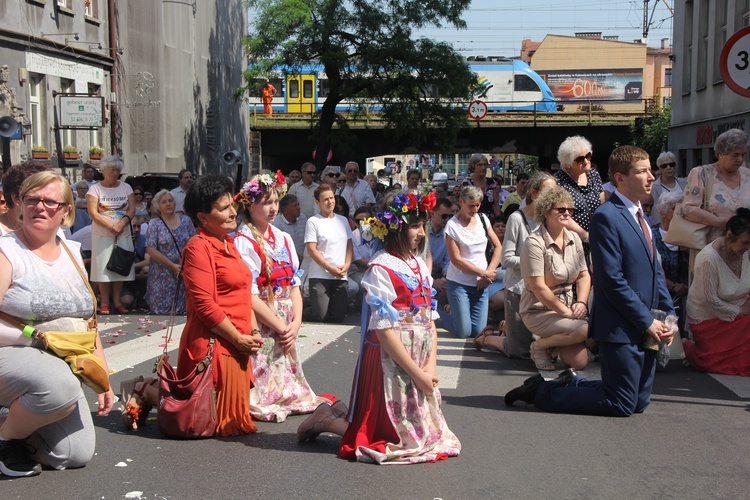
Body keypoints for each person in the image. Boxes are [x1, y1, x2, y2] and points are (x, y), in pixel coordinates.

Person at [505, 145, 675, 417]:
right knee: (620, 404)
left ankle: (571, 382)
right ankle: (542, 392)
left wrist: (669, 317)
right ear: (620, 178)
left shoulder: (643, 217)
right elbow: (611, 280)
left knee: (638, 402)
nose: (652, 176)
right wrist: (646, 319)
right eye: (642, 171)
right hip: (621, 326)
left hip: (649, 324)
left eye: (651, 170)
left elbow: (656, 273)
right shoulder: (607, 217)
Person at [296, 192, 461, 464]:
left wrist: (430, 366)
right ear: (396, 229)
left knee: (420, 434)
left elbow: (429, 319)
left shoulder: (419, 263)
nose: (421, 233)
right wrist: (417, 373)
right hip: (391, 357)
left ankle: (333, 413)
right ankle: (327, 419)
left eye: (422, 225)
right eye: (414, 226)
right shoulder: (380, 268)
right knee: (383, 436)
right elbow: (384, 331)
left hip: (418, 356)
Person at [0, 171, 114, 476]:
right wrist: (34, 338)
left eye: (50, 202)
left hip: (61, 360)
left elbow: (88, 320)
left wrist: (101, 375)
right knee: (59, 387)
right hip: (11, 353)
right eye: (32, 200)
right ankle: (4, 440)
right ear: (20, 204)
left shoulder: (71, 251)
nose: (40, 207)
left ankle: (9, 421)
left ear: (66, 211)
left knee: (73, 453)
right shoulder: (7, 251)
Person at [234, 171, 329, 421]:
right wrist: (280, 326)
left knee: (287, 371)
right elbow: (249, 293)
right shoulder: (243, 241)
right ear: (250, 204)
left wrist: (296, 322)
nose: (273, 208)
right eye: (266, 202)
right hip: (263, 316)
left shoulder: (284, 238)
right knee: (264, 365)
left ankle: (285, 391)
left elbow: (294, 284)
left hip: (286, 314)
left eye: (275, 201)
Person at [178, 174, 264, 436]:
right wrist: (238, 338)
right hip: (215, 344)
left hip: (237, 343)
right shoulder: (197, 247)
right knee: (209, 423)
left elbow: (243, 293)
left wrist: (254, 332)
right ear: (203, 217)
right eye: (223, 208)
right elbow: (204, 305)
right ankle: (145, 392)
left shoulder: (229, 243)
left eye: (231, 205)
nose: (232, 212)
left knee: (234, 426)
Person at [476, 172, 557, 358]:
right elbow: (507, 259)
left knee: (546, 349)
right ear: (534, 193)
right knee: (519, 352)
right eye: (548, 191)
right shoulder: (517, 219)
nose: (553, 197)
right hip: (520, 288)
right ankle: (488, 338)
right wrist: (536, 264)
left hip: (546, 288)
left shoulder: (552, 218)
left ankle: (508, 329)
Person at [517, 187, 590, 371]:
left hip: (569, 308)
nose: (567, 213)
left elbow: (583, 275)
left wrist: (581, 302)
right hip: (539, 310)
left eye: (570, 210)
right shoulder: (534, 242)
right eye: (561, 209)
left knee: (579, 363)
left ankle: (552, 344)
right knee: (585, 330)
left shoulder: (574, 238)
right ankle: (539, 346)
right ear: (545, 211)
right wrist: (565, 312)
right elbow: (538, 287)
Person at [683, 209, 750, 376]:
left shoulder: (746, 252)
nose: (747, 247)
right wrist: (739, 312)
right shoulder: (709, 258)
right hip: (709, 318)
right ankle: (690, 348)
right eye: (745, 242)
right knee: (715, 363)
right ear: (729, 235)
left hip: (740, 309)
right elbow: (710, 301)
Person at [682, 128, 750, 275]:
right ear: (720, 154)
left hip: (744, 251)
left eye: (743, 155)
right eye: (735, 155)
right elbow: (688, 209)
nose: (740, 160)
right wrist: (719, 222)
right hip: (711, 250)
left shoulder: (747, 175)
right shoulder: (702, 174)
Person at [444, 185, 502, 338]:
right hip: (459, 283)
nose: (475, 209)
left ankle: (457, 311)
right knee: (464, 332)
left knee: (478, 332)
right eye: (471, 205)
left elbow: (498, 247)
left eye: (477, 205)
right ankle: (435, 314)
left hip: (480, 284)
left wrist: (488, 272)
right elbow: (456, 260)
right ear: (461, 201)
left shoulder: (483, 219)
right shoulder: (452, 226)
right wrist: (483, 273)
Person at [86, 155, 135, 315]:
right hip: (102, 233)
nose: (115, 173)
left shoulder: (126, 187)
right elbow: (93, 212)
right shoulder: (95, 189)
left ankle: (117, 301)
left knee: (119, 265)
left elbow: (132, 209)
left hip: (123, 231)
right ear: (104, 170)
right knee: (102, 267)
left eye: (117, 170)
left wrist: (120, 225)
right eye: (112, 170)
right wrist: (110, 226)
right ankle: (105, 302)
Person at [305, 184, 353, 322]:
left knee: (337, 317)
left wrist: (347, 265)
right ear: (318, 202)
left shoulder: (343, 220)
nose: (330, 202)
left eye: (331, 198)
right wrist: (329, 268)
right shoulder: (313, 222)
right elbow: (312, 250)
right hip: (320, 275)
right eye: (325, 199)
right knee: (320, 316)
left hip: (340, 274)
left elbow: (349, 245)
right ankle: (303, 310)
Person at [144, 189, 195, 314]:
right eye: (164, 202)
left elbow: (194, 243)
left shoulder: (186, 221)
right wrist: (172, 266)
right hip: (161, 274)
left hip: (183, 271)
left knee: (183, 311)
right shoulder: (154, 224)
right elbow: (150, 248)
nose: (168, 204)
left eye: (170, 201)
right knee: (161, 313)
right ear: (158, 206)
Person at [554, 136, 605, 262]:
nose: (586, 161)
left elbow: (601, 200)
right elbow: (561, 213)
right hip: (572, 241)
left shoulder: (593, 175)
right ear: (567, 165)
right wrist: (585, 236)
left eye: (588, 156)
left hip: (597, 237)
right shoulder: (558, 181)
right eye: (580, 159)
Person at [652, 190, 689, 331]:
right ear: (663, 212)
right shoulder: (652, 235)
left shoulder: (689, 236)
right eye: (675, 208)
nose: (680, 213)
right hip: (662, 296)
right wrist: (672, 286)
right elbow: (653, 267)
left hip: (686, 296)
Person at [0, 161, 50, 235]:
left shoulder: (52, 228)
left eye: (49, 200)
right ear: (16, 198)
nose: (42, 206)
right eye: (34, 199)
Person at [650, 152, 687, 225]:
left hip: (685, 223)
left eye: (671, 164)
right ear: (659, 168)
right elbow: (654, 211)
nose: (668, 167)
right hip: (664, 226)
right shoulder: (653, 187)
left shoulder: (685, 183)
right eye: (664, 166)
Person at [271, 194, 307, 263]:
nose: (298, 208)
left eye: (298, 205)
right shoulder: (277, 224)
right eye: (294, 206)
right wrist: (299, 259)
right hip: (288, 262)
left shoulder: (303, 218)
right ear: (285, 209)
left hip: (306, 262)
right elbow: (281, 248)